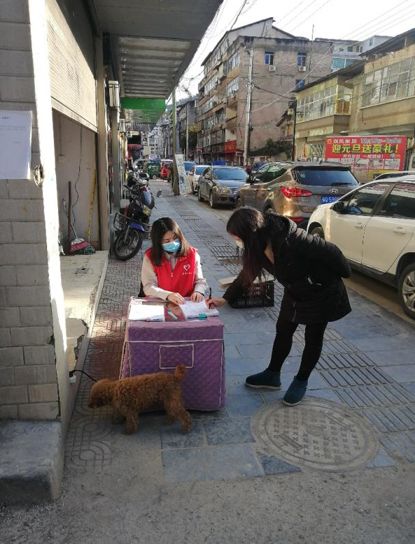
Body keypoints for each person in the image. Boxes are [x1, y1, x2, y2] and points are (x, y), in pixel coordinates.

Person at [207, 207, 351, 406]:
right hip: (294, 291)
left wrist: (342, 273)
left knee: (313, 337)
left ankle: (301, 381)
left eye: (238, 237)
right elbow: (247, 273)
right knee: (283, 330)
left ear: (250, 233)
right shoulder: (257, 246)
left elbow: (332, 251)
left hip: (321, 292)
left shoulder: (293, 239)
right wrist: (226, 298)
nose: (237, 241)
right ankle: (272, 374)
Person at [141, 217, 207, 305]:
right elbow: (148, 286)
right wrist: (167, 295)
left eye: (175, 238)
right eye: (167, 240)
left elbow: (200, 281)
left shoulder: (192, 254)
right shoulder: (150, 257)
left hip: (187, 304)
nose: (172, 242)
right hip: (161, 302)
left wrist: (198, 291)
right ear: (158, 242)